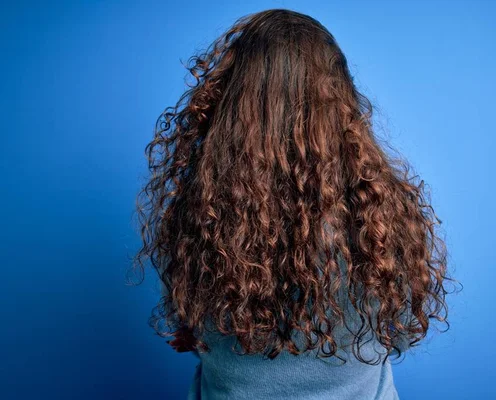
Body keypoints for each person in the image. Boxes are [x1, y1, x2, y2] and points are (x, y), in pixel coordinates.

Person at [132, 8, 456, 399]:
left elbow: (193, 328)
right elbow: (399, 332)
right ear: (341, 101)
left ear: (231, 100)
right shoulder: (382, 215)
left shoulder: (200, 214)